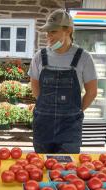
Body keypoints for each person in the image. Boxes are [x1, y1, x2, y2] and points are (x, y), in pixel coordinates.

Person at [28, 9, 98, 154]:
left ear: (68, 30)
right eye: (47, 32)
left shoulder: (84, 58)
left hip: (69, 127)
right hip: (43, 125)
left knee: (67, 170)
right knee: (41, 166)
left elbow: (92, 92)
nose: (48, 36)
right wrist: (47, 107)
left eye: (53, 31)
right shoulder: (39, 57)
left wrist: (74, 112)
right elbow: (35, 87)